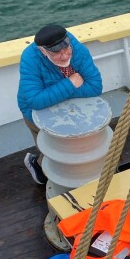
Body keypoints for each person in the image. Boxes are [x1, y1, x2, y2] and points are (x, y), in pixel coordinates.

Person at [17, 24, 102, 184]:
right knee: (53, 153)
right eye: (56, 53)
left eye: (66, 49)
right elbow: (35, 100)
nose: (64, 56)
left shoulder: (78, 49)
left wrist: (54, 94)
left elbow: (96, 87)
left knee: (76, 148)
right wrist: (71, 83)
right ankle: (38, 166)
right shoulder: (30, 59)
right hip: (37, 115)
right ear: (43, 51)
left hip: (72, 110)